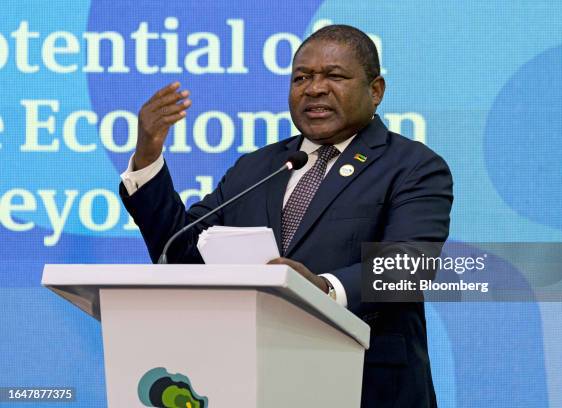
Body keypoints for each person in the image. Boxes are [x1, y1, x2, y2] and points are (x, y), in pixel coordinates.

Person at [120, 24, 453, 408]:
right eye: (302, 78)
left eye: (334, 76)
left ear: (375, 91)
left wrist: (324, 288)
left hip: (367, 385)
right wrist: (147, 157)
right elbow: (180, 252)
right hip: (251, 383)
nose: (314, 88)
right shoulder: (258, 167)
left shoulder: (411, 166)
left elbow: (408, 265)